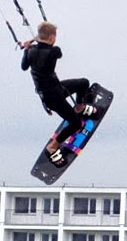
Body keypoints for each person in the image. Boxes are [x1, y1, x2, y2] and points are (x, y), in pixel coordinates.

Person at [20, 21, 95, 162]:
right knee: (76, 124)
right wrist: (36, 40)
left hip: (57, 88)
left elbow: (24, 66)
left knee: (83, 83)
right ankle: (53, 147)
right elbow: (57, 52)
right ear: (52, 38)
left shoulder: (31, 51)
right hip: (52, 98)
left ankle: (79, 107)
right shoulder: (53, 52)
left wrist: (27, 47)